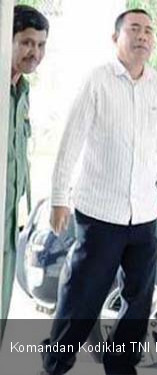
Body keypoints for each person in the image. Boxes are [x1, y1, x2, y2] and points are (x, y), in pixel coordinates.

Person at [41, 9, 157, 375]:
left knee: (139, 301)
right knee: (82, 298)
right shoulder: (97, 81)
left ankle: (121, 366)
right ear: (115, 37)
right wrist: (58, 199)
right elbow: (71, 141)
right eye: (134, 29)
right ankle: (55, 364)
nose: (143, 36)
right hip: (100, 214)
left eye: (149, 31)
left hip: (144, 215)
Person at [1, 4, 49, 344]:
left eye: (41, 44)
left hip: (8, 217)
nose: (35, 52)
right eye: (27, 42)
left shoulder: (23, 91)